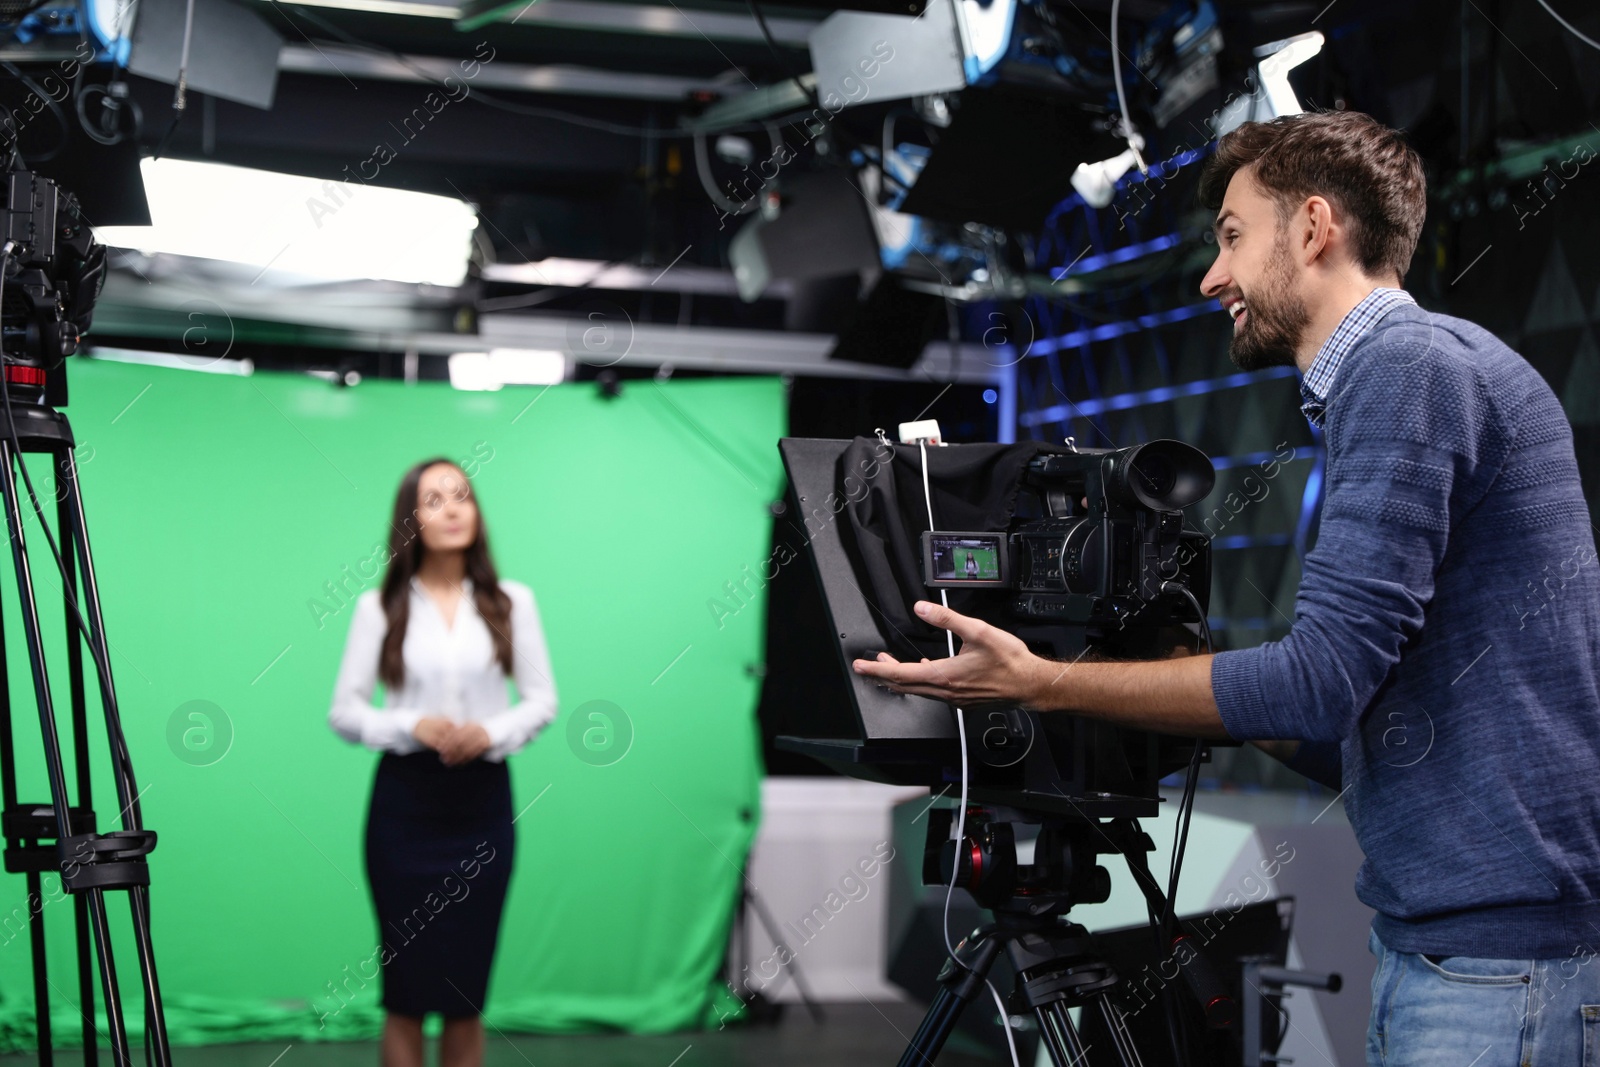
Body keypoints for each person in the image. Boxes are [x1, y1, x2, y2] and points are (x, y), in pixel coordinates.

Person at [852, 110, 1600, 1064]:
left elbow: (1316, 682)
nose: (1212, 277)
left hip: (1501, 972)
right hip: (1464, 956)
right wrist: (1174, 674)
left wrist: (1044, 683)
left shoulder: (1405, 369)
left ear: (1315, 228)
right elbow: (1359, 723)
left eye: (1234, 236)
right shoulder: (1419, 369)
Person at [330, 457, 558, 1067]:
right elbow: (345, 713)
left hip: (482, 805)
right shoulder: (378, 607)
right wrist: (411, 724)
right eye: (434, 500)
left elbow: (542, 701)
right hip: (405, 809)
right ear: (409, 519)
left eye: (462, 496)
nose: (453, 510)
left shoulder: (512, 602)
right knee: (405, 996)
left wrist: (489, 732)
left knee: (465, 997)